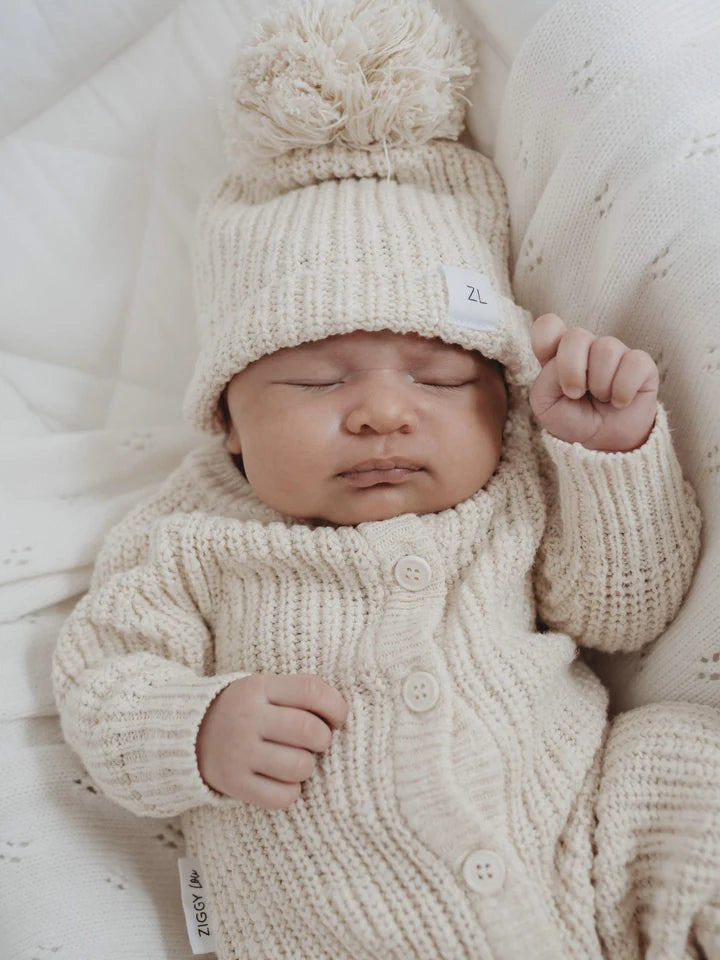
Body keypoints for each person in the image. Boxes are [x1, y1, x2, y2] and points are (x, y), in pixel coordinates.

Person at [51, 0, 720, 957]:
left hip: (577, 836)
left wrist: (609, 456)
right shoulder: (191, 537)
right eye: (317, 379)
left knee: (686, 763)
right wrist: (194, 729)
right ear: (229, 424)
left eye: (442, 379)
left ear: (501, 389)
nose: (382, 412)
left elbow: (624, 613)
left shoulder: (514, 487)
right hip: (347, 910)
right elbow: (102, 680)